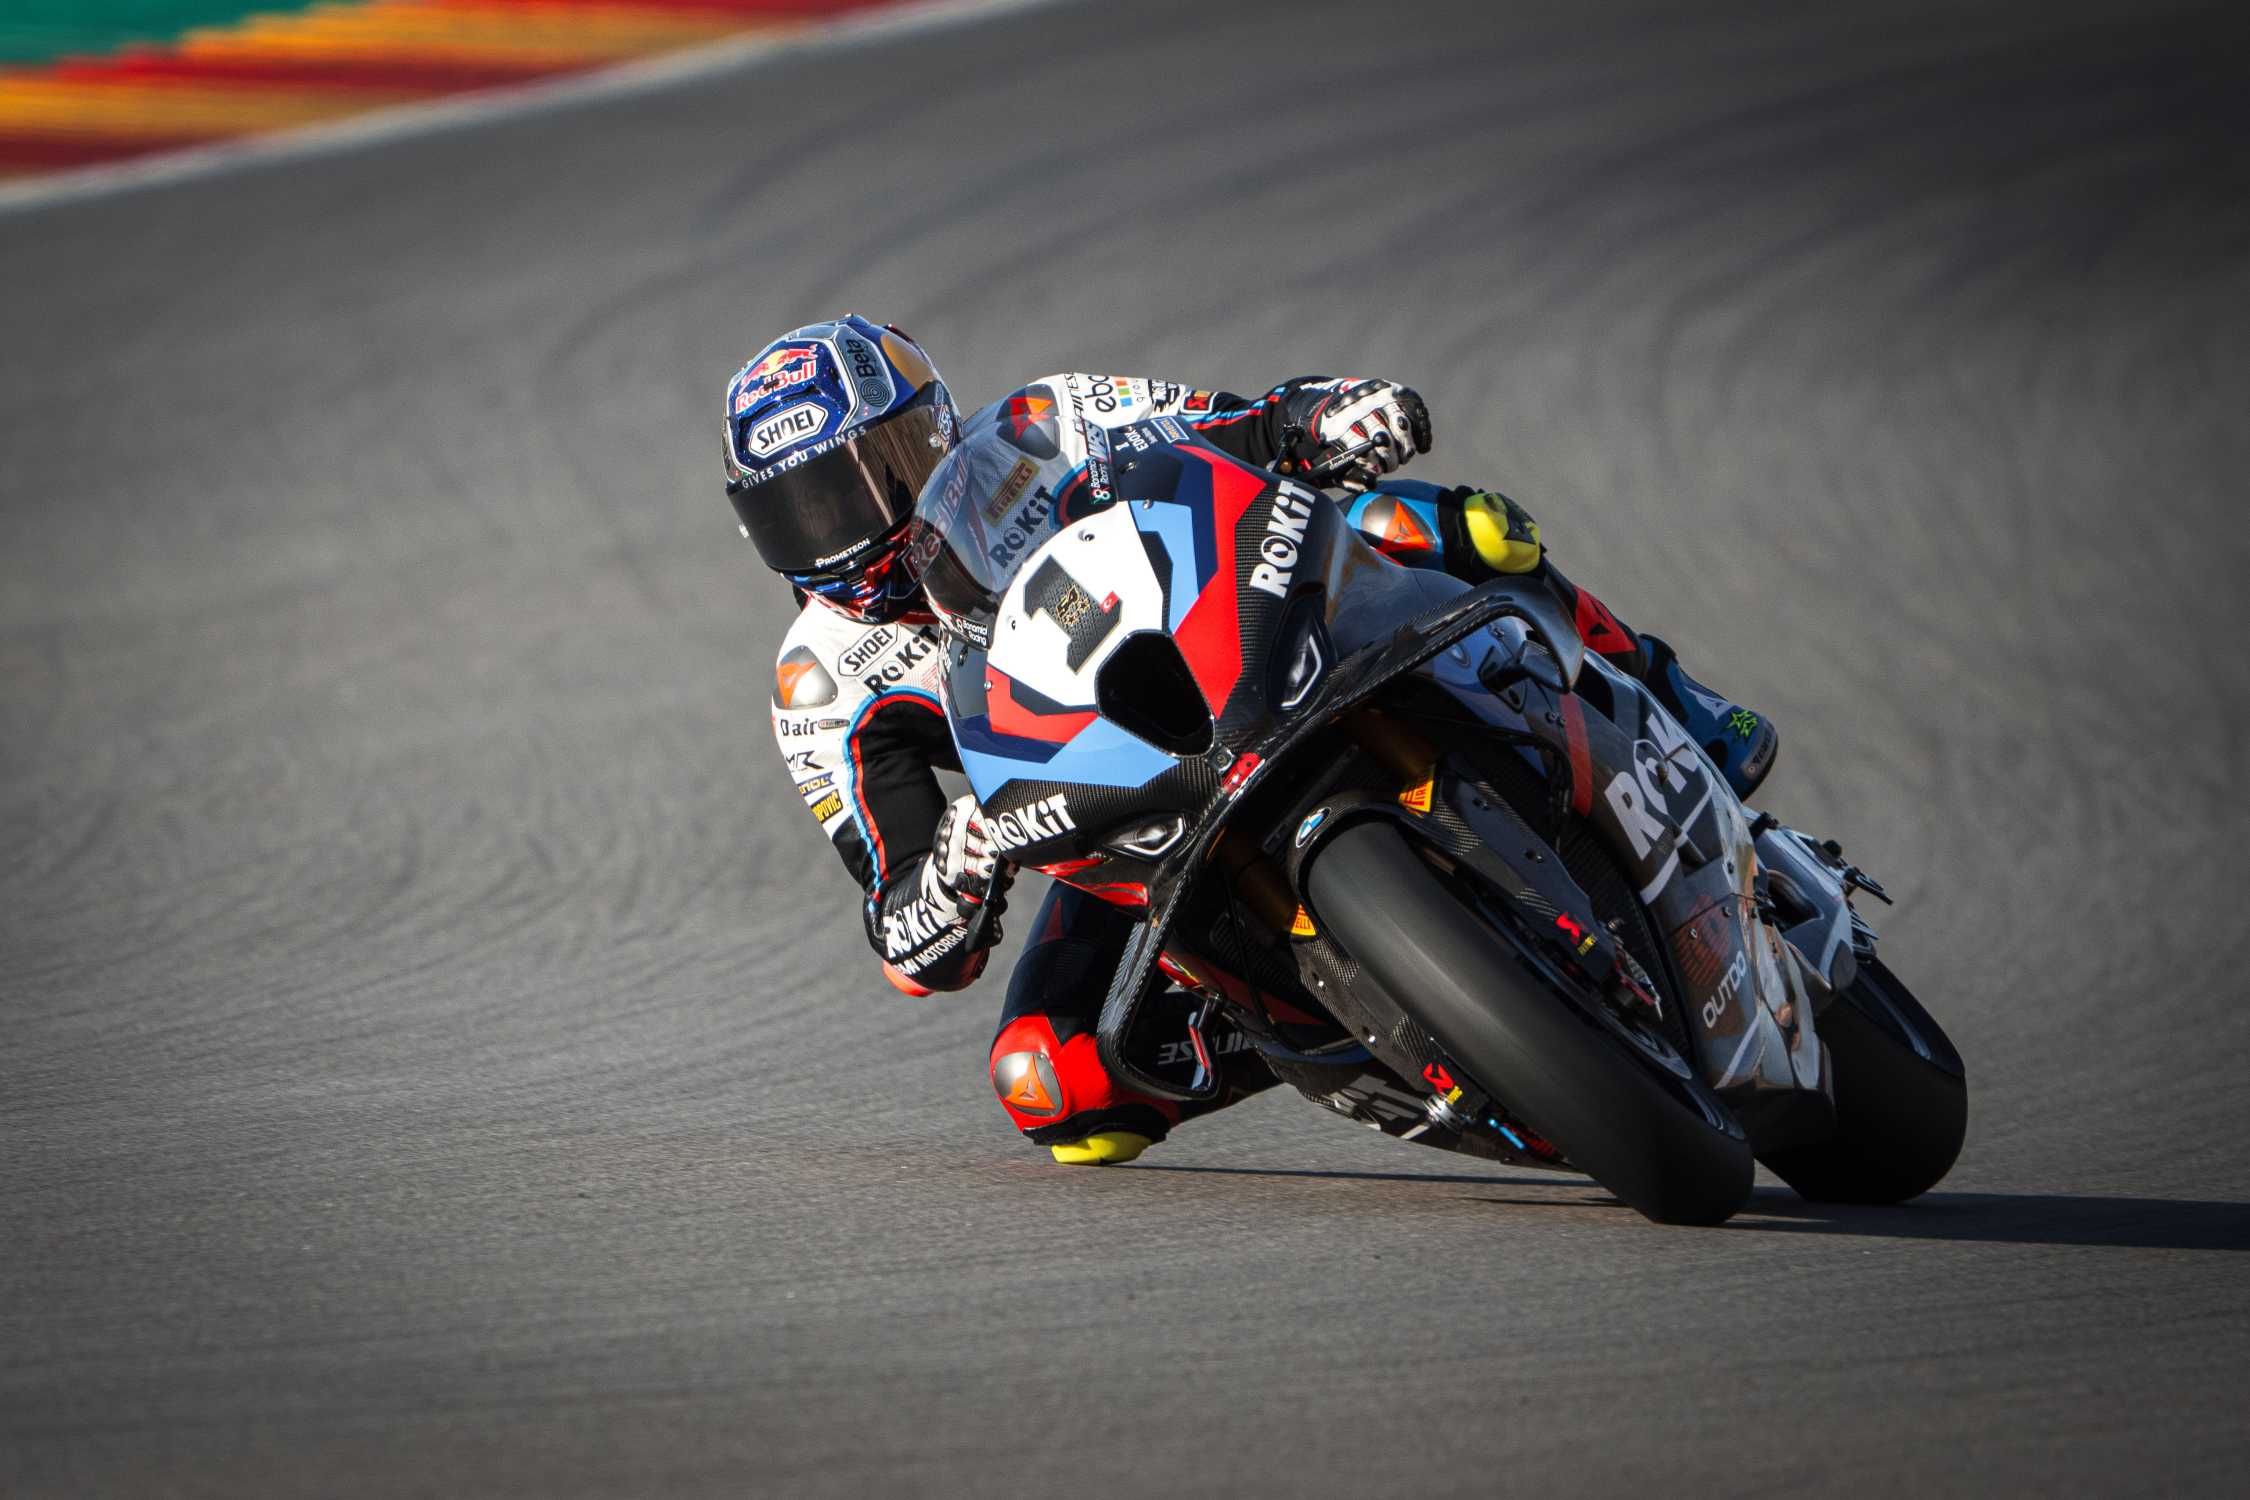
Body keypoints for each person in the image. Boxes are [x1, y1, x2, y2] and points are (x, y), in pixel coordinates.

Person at [729, 315, 1779, 1166]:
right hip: (1122, 814)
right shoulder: (818, 682)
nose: (850, 527)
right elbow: (905, 928)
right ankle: (1359, 1018)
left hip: (1252, 635)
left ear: (933, 429)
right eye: (803, 510)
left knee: (1447, 527)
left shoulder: (1038, 425)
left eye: (876, 471)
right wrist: (952, 879)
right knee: (1052, 1081)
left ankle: (1679, 702)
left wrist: (1326, 412)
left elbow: (1234, 427)